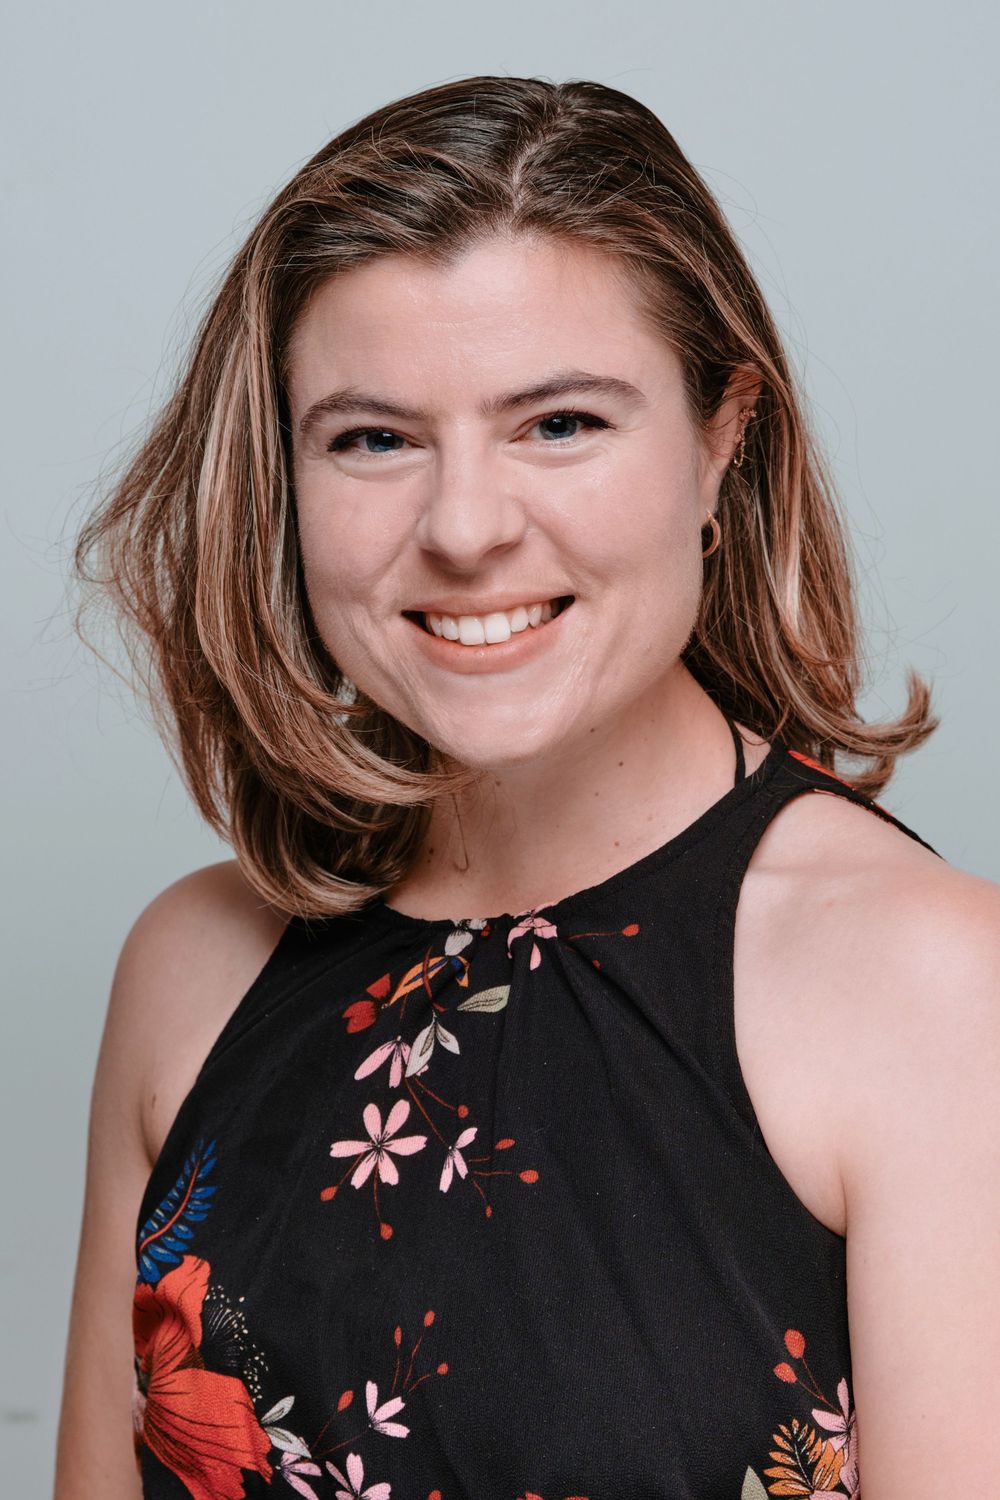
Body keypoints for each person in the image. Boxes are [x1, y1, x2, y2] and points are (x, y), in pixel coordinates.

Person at [54, 75, 998, 1500]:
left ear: (723, 441)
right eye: (373, 438)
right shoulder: (193, 970)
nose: (465, 527)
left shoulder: (933, 986)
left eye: (559, 424)